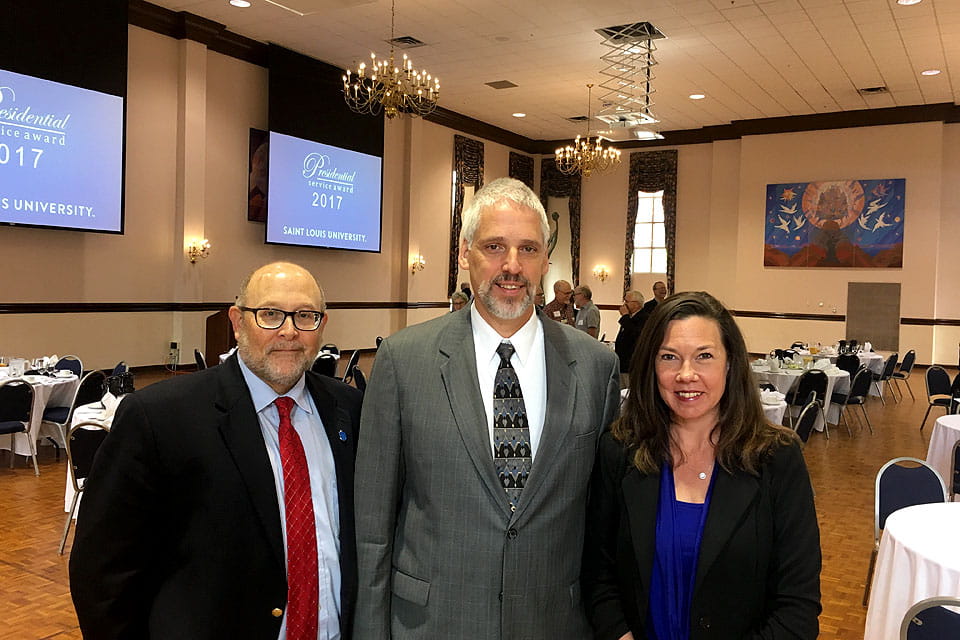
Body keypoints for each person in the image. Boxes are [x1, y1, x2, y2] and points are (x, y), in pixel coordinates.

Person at [354, 177, 620, 639]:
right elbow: (374, 525)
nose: (511, 266)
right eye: (495, 246)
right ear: (464, 253)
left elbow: (605, 522)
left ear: (545, 260)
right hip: (431, 624)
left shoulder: (596, 368)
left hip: (553, 622)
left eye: (528, 249)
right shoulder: (403, 361)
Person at [70, 262, 362, 640]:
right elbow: (103, 571)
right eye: (270, 314)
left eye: (305, 316)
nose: (289, 331)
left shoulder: (349, 410)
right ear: (238, 322)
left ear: (321, 326)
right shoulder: (159, 417)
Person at [582, 291, 821, 640]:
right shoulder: (619, 451)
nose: (686, 374)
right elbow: (599, 575)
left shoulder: (777, 458)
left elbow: (796, 608)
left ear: (730, 363)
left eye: (704, 356)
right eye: (669, 357)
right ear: (651, 365)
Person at [614, 290, 648, 387]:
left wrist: (624, 316)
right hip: (623, 363)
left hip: (632, 364)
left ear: (636, 304)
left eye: (627, 301)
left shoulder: (644, 318)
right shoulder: (630, 318)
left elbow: (634, 334)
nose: (624, 305)